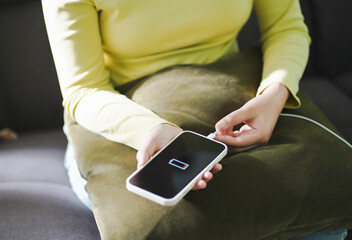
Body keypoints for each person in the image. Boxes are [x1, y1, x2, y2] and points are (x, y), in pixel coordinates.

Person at [41, 0, 347, 239]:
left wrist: (275, 92)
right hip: (120, 114)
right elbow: (83, 89)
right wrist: (149, 129)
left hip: (232, 87)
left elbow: (286, 27)